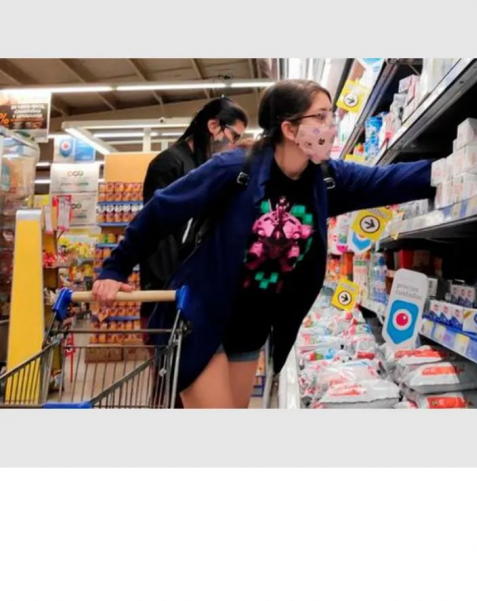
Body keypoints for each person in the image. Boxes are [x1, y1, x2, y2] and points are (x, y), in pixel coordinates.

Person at [92, 80, 433, 409]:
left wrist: (448, 168)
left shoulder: (326, 178)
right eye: (320, 116)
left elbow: (386, 181)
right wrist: (115, 269)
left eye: (331, 115)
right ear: (289, 129)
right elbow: (161, 210)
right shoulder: (234, 169)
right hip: (201, 316)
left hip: (251, 323)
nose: (331, 125)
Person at [140, 96, 249, 309]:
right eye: (234, 136)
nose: (233, 144)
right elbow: (156, 230)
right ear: (213, 125)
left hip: (191, 283)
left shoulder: (203, 166)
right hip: (168, 290)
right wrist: (167, 289)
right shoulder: (169, 164)